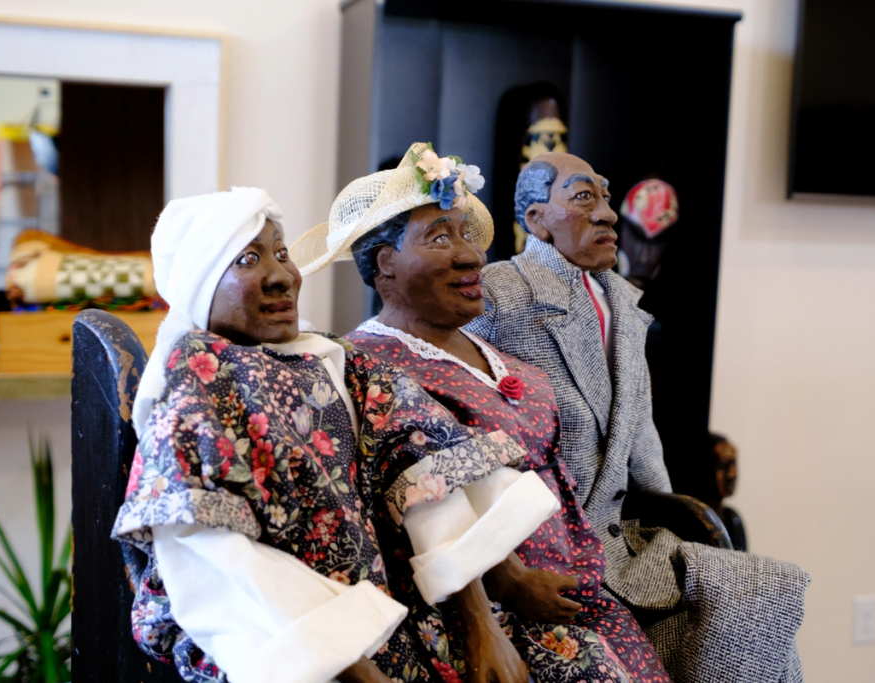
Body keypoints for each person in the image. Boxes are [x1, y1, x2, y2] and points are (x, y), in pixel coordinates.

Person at [113, 187, 557, 683]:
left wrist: (479, 622)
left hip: (385, 619)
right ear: (201, 282)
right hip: (278, 647)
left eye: (281, 254)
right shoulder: (199, 377)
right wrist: (348, 667)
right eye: (248, 259)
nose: (281, 276)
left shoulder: (331, 359)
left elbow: (424, 467)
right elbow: (212, 555)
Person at [291, 143, 670, 683]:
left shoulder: (509, 362)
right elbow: (400, 509)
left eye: (467, 234)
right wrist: (500, 592)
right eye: (440, 238)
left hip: (583, 591)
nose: (471, 256)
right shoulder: (364, 367)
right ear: (384, 266)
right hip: (474, 612)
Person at [465, 153, 811, 683]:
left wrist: (672, 516)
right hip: (551, 546)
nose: (606, 213)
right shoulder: (501, 294)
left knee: (765, 603)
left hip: (625, 540)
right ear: (536, 219)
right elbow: (456, 407)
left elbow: (641, 434)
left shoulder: (620, 301)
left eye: (605, 196)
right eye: (584, 197)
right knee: (740, 603)